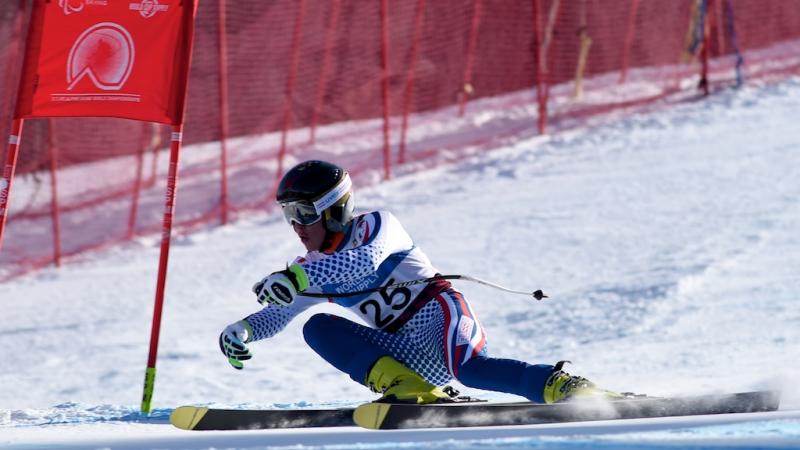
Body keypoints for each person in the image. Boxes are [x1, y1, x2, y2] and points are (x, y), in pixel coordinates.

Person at [219, 160, 618, 404]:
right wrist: (245, 329)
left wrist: (298, 276)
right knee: (317, 326)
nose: (296, 225)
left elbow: (362, 263)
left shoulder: (377, 226)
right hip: (402, 348)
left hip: (438, 313)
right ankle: (405, 386)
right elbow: (280, 313)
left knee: (471, 371)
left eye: (303, 212)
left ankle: (563, 386)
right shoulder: (308, 264)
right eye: (288, 214)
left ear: (333, 209)